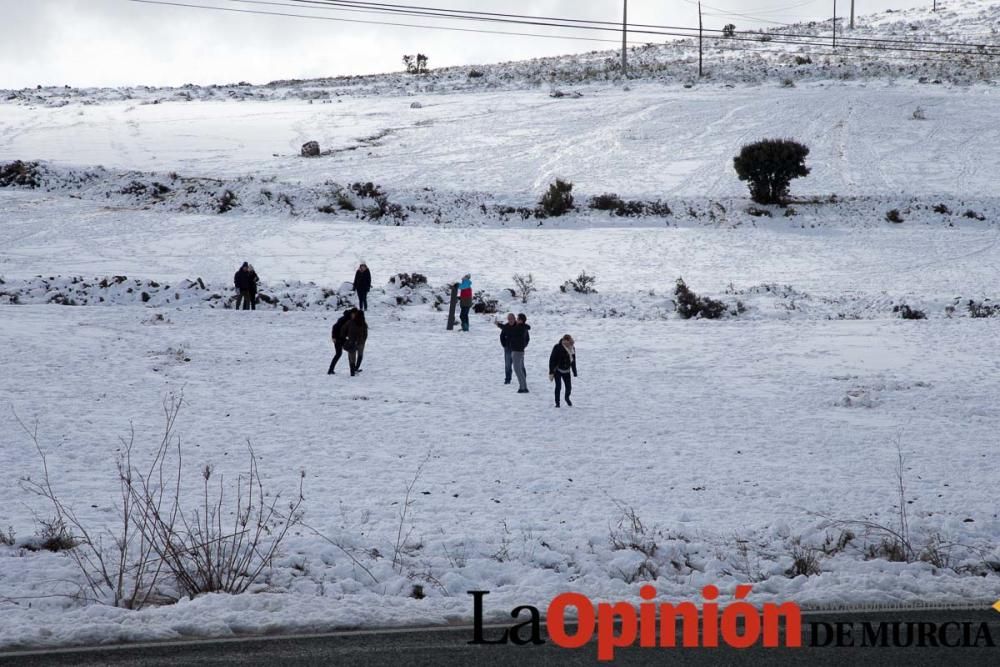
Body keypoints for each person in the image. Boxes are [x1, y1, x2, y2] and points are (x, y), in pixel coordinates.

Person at [548, 334, 578, 407]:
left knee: (569, 387)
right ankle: (557, 403)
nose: (568, 343)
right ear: (564, 340)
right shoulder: (557, 347)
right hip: (558, 370)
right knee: (558, 386)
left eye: (570, 341)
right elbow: (552, 360)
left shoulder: (572, 348)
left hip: (567, 371)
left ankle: (567, 397)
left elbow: (573, 361)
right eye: (566, 341)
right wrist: (551, 371)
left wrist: (574, 371)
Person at [509, 313, 531, 393]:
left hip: (517, 351)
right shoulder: (523, 327)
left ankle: (523, 387)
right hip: (519, 350)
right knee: (520, 369)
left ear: (521, 320)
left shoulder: (519, 328)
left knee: (517, 369)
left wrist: (500, 325)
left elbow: (509, 330)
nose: (516, 320)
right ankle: (523, 387)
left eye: (517, 319)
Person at [327, 308, 354, 374]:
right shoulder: (344, 319)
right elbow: (335, 327)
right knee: (342, 353)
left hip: (342, 338)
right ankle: (331, 370)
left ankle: (331, 370)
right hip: (338, 338)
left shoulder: (349, 319)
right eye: (354, 314)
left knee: (341, 353)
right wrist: (333, 337)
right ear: (351, 314)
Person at [343, 309, 369, 377]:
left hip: (351, 342)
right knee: (360, 355)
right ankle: (356, 368)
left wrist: (345, 339)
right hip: (361, 342)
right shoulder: (364, 323)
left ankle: (352, 372)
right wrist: (363, 340)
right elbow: (365, 334)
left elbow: (343, 331)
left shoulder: (350, 322)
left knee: (352, 358)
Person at [495, 313, 516, 384]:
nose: (510, 320)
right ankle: (507, 379)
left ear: (514, 319)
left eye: (511, 319)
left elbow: (526, 338)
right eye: (509, 319)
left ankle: (522, 379)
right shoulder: (506, 326)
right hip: (507, 349)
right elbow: (501, 337)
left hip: (517, 349)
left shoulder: (519, 326)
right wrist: (504, 345)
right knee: (507, 365)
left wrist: (523, 345)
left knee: (519, 365)